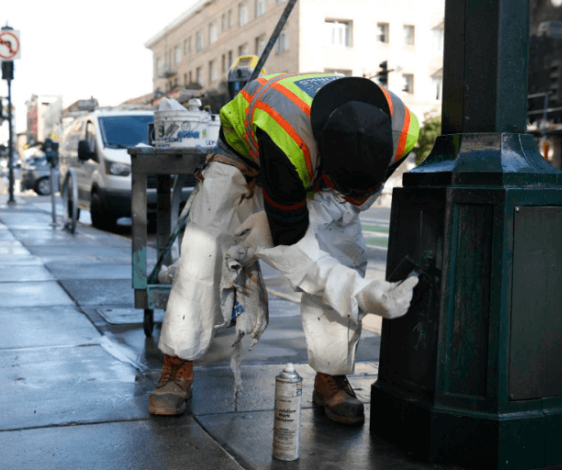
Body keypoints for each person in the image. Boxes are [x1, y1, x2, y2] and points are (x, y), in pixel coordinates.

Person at [148, 73, 421, 425]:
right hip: (244, 153)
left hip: (321, 167)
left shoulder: (403, 129)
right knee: (204, 251)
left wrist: (351, 281)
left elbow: (353, 199)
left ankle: (331, 375)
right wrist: (356, 293)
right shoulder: (286, 135)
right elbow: (291, 243)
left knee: (344, 253)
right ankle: (178, 365)